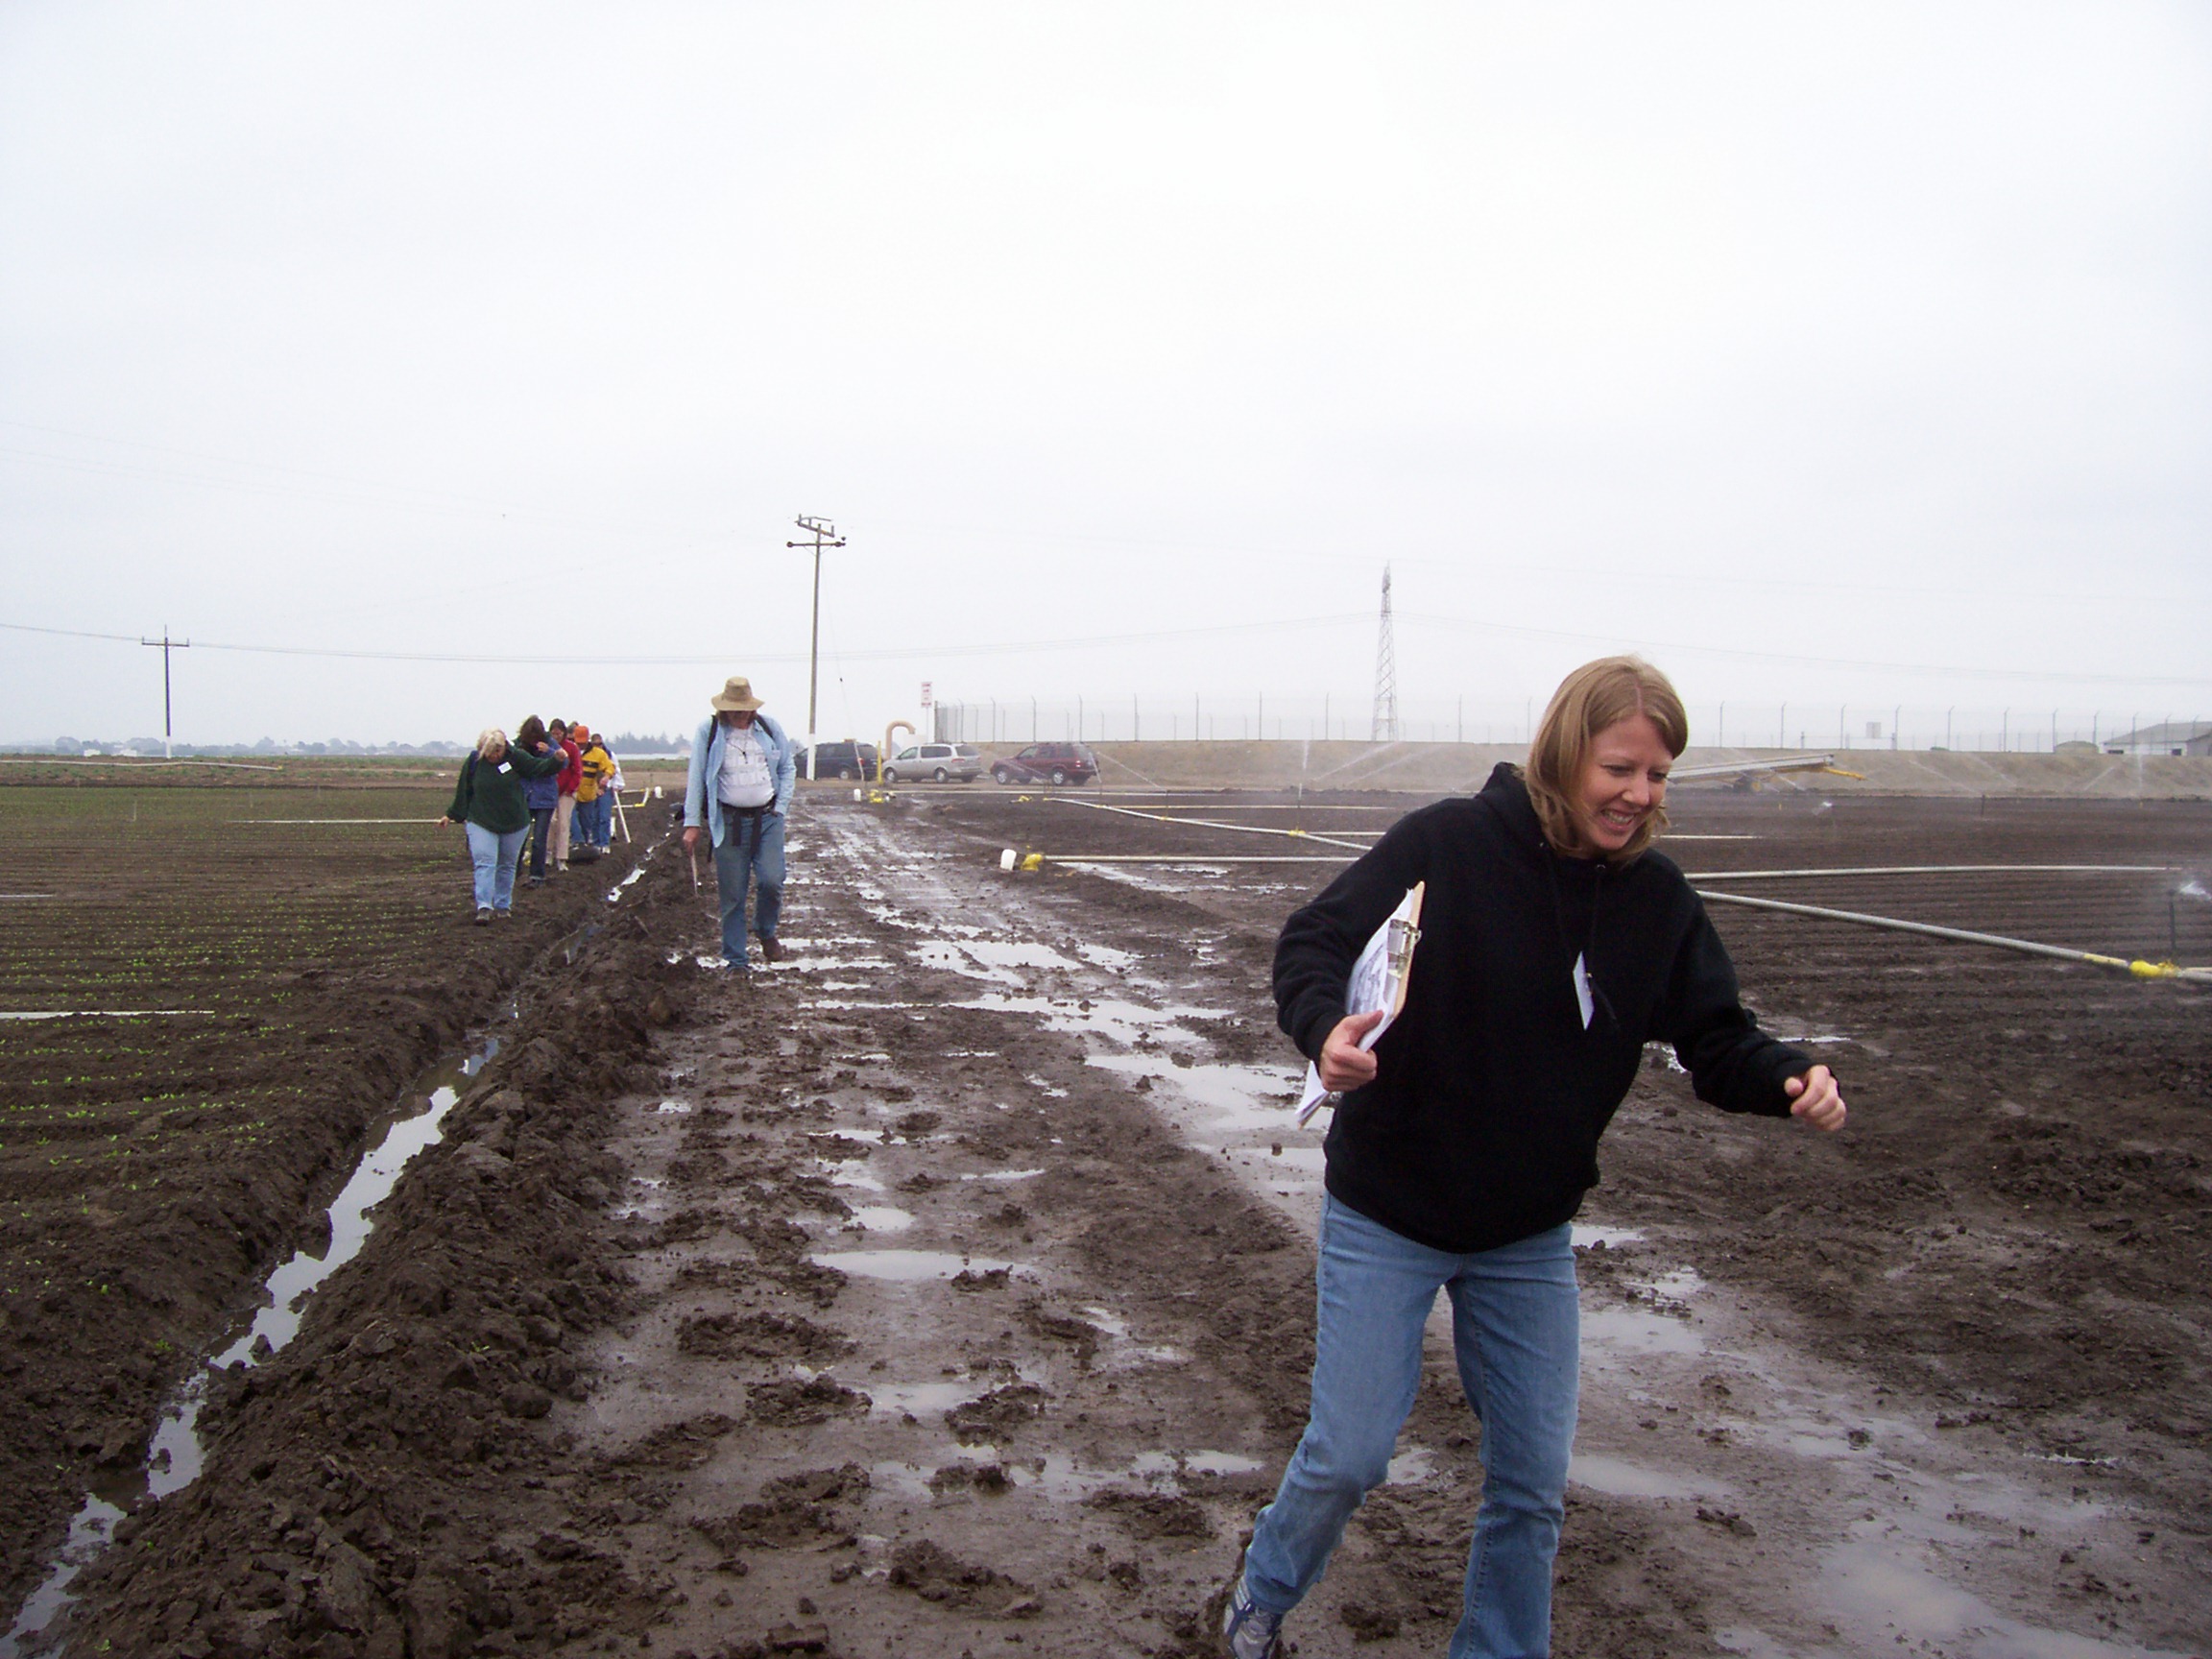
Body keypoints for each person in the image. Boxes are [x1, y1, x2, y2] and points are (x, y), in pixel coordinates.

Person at [1224, 657, 1847, 1659]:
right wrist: (1326, 1028)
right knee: (1349, 1455)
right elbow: (1315, 937)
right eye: (1621, 769)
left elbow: (1715, 1035)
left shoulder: (1655, 898)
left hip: (1527, 1233)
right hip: (1390, 1209)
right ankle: (1265, 1588)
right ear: (1567, 754)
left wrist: (1786, 1077)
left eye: (1659, 777)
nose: (1640, 796)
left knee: (1532, 1482)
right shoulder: (1449, 844)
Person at [682, 676, 796, 968]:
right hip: (729, 822)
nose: (739, 714)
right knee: (732, 894)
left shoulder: (769, 729)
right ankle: (736, 960)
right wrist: (692, 823)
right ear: (724, 708)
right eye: (733, 709)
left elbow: (787, 768)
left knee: (772, 880)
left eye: (743, 708)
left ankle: (765, 929)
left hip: (768, 818)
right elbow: (696, 777)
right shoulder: (709, 732)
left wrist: (780, 807)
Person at [438, 728, 565, 924]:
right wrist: (451, 814)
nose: (494, 756)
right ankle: (484, 907)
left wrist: (556, 759)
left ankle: (503, 905)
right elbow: (464, 789)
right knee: (485, 863)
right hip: (481, 820)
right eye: (490, 753)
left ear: (504, 748)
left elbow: (538, 767)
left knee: (507, 865)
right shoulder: (474, 762)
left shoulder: (516, 757)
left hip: (514, 822)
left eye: (497, 752)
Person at [514, 715, 559, 887]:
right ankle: (514, 873)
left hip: (544, 799)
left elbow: (563, 761)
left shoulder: (550, 744)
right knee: (519, 838)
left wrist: (548, 751)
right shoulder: (517, 746)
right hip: (524, 797)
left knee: (539, 840)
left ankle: (537, 876)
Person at [575, 725, 615, 855]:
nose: (580, 745)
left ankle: (585, 847)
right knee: (571, 820)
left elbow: (610, 767)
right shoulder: (570, 751)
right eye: (578, 742)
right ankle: (577, 843)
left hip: (587, 795)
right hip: (571, 792)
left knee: (587, 823)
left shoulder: (598, 754)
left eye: (583, 742)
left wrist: (607, 776)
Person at [548, 718, 581, 873]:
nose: (556, 736)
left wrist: (571, 788)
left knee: (563, 824)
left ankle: (561, 858)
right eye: (553, 734)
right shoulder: (547, 747)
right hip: (550, 791)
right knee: (550, 822)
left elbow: (577, 770)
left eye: (559, 733)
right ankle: (548, 854)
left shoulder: (571, 748)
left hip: (566, 792)